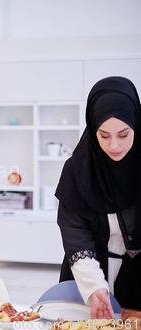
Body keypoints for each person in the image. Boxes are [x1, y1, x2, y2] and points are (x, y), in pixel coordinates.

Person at [55, 76, 141, 317]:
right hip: (88, 275)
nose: (114, 145)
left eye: (124, 135)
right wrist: (94, 286)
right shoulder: (77, 170)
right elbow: (75, 235)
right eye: (104, 135)